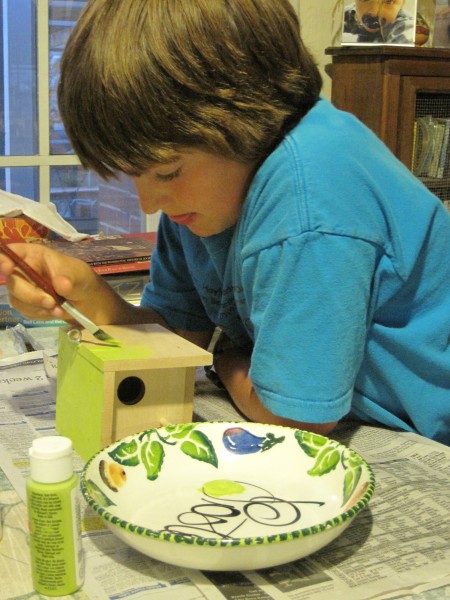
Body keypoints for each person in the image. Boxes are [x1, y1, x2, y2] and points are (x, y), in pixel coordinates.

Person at [1, 0, 449, 445]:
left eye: (167, 173)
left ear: (246, 116)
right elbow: (177, 336)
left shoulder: (309, 197)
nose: (149, 202)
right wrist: (90, 297)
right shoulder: (203, 200)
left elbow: (295, 421)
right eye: (133, 175)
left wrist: (225, 360)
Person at [342, 0, 416, 44]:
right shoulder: (343, 16)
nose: (374, 12)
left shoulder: (406, 26)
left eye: (388, 1)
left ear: (402, 5)